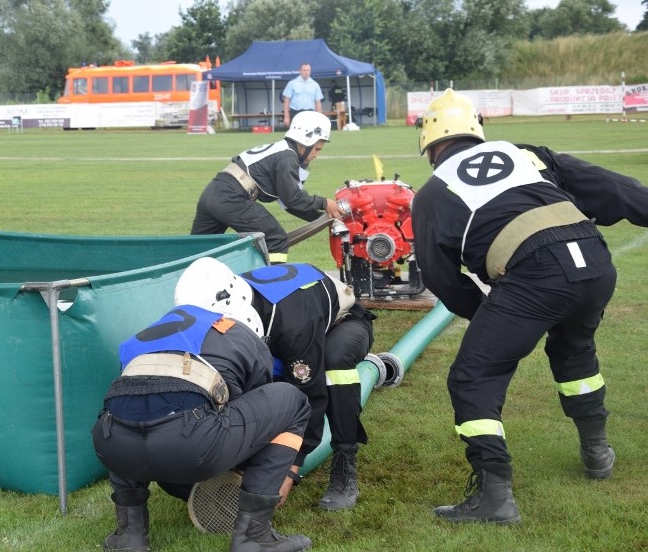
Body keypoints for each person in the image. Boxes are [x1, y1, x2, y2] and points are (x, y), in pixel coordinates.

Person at [411, 88, 648, 524]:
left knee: (473, 376)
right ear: (477, 131)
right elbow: (609, 187)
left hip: (534, 274)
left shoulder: (430, 194)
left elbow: (441, 278)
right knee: (575, 352)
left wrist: (487, 315)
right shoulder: (528, 154)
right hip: (594, 263)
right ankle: (597, 452)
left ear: (429, 143)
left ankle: (494, 497)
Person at [92, 302, 313, 552]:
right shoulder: (236, 330)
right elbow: (259, 422)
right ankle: (254, 535)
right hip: (189, 444)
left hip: (111, 447)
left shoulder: (139, 337)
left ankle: (129, 535)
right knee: (291, 400)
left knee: (128, 413)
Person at [174, 258, 377, 511]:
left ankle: (345, 464)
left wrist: (290, 470)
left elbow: (309, 396)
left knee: (332, 366)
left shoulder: (293, 319)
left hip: (342, 324)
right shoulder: (213, 299)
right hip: (286, 335)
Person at [190, 111, 344, 264]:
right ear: (307, 140)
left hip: (213, 192)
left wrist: (323, 219)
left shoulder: (282, 151)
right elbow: (292, 198)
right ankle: (272, 285)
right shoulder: (288, 157)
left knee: (198, 252)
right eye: (317, 149)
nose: (316, 155)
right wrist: (324, 203)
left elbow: (289, 203)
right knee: (275, 240)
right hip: (231, 197)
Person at [282, 63, 323, 128]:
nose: (306, 72)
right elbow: (286, 101)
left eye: (308, 70)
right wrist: (286, 117)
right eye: (304, 70)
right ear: (300, 71)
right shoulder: (292, 83)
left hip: (309, 113)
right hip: (295, 113)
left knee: (309, 135)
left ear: (310, 71)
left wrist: (319, 117)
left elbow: (318, 102)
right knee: (295, 135)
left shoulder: (315, 85)